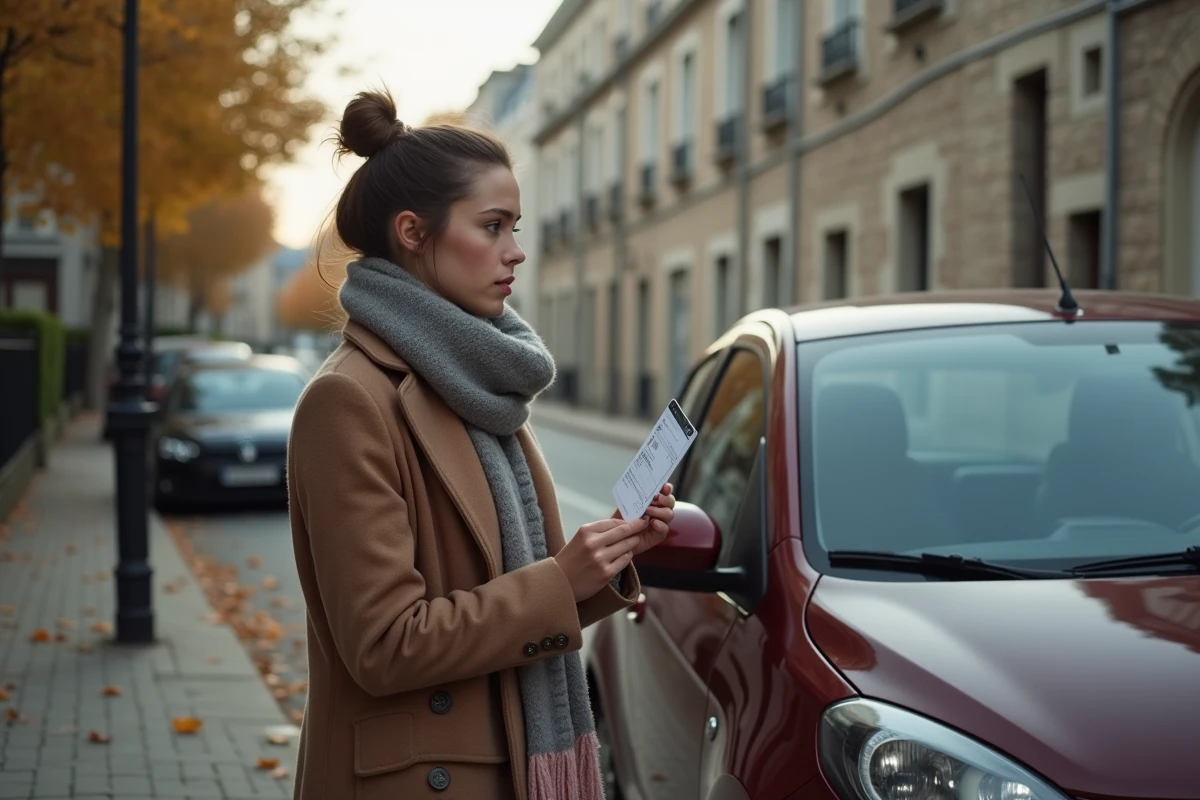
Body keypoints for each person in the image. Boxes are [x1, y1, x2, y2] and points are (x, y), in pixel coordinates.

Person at [286, 88, 676, 800]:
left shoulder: (479, 383)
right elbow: (385, 645)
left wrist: (604, 558)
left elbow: (513, 600)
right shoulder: (349, 401)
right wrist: (561, 582)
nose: (516, 252)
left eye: (515, 227)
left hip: (512, 760)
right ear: (412, 231)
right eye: (492, 226)